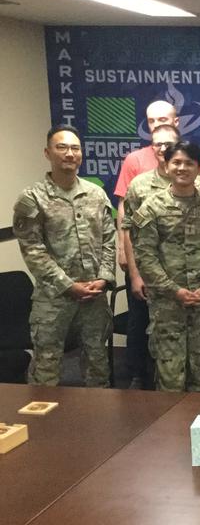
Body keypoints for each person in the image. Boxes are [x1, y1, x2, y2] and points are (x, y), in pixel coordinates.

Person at [114, 100, 200, 390]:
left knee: (199, 351)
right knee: (150, 331)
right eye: (152, 122)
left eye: (163, 121)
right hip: (155, 275)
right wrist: (133, 269)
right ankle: (139, 377)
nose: (164, 149)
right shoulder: (138, 174)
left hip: (196, 276)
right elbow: (128, 222)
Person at [13, 124, 116, 387]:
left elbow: (108, 240)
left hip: (94, 296)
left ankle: (99, 422)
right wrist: (68, 285)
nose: (69, 153)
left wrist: (104, 279)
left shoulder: (96, 194)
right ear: (47, 153)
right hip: (53, 299)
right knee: (47, 367)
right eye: (62, 147)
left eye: (75, 148)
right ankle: (43, 424)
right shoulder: (32, 198)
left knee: (97, 363)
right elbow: (33, 251)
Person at [132, 141, 200, 392]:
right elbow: (145, 257)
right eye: (176, 162)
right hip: (168, 306)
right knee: (170, 377)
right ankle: (170, 431)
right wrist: (173, 290)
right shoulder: (151, 208)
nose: (182, 168)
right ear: (166, 164)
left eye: (189, 163)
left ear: (199, 169)